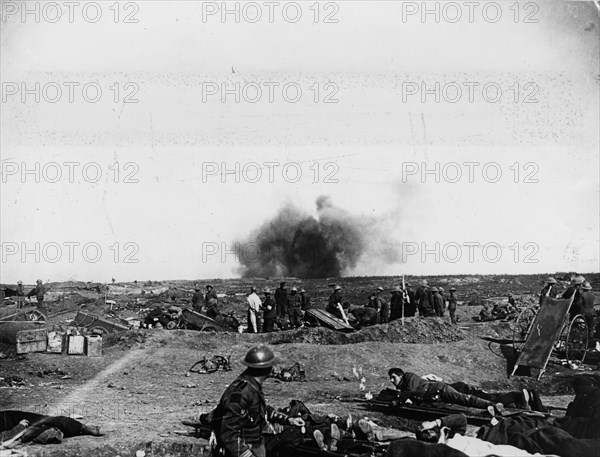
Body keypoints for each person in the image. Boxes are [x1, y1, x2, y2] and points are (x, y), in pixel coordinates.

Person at [211, 346, 305, 457]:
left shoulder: (252, 385)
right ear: (265, 369)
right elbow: (228, 434)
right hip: (245, 447)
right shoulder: (240, 394)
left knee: (296, 433)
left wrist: (289, 419)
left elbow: (260, 410)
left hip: (256, 441)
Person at [388, 368, 504, 415]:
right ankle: (489, 407)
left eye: (394, 377)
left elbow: (411, 391)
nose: (392, 380)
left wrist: (398, 401)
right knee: (460, 405)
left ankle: (491, 405)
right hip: (436, 398)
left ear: (401, 375)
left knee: (464, 398)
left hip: (440, 390)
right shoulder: (403, 388)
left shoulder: (409, 376)